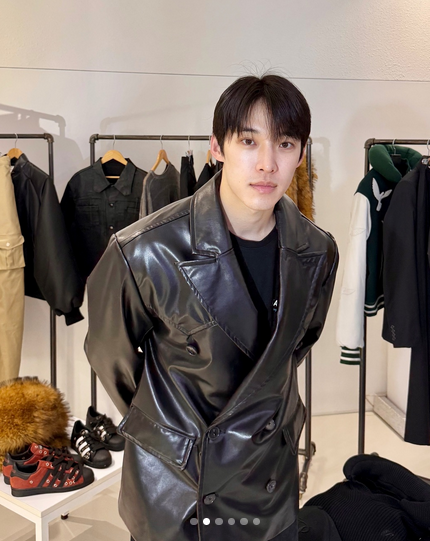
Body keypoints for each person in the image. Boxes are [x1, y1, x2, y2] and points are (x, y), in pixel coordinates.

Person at [85, 74, 339, 541]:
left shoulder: (318, 251)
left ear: (301, 154)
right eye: (249, 141)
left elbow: (293, 349)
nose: (267, 164)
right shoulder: (144, 250)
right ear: (217, 147)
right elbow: (109, 355)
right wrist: (172, 429)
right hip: (178, 482)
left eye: (284, 144)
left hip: (267, 475)